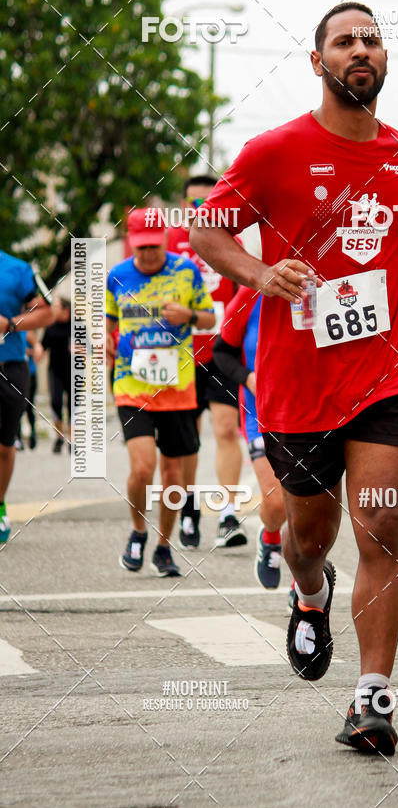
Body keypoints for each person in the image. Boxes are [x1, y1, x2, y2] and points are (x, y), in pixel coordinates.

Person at [190, 2, 398, 756]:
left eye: (372, 39)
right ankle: (311, 593)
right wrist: (259, 272)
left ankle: (372, 698)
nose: (360, 49)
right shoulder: (272, 152)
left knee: (382, 526)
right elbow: (206, 229)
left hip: (387, 371)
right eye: (344, 41)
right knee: (308, 538)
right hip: (298, 383)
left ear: (384, 59)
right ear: (319, 62)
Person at [106, 208, 215, 576]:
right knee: (142, 469)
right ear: (131, 243)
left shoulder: (186, 270)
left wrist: (189, 316)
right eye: (141, 248)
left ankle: (163, 546)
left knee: (173, 476)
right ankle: (138, 531)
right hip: (132, 385)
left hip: (177, 388)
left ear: (165, 239)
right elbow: (107, 321)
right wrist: (104, 341)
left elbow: (210, 318)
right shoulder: (118, 276)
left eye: (154, 246)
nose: (148, 254)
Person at [166, 175, 247, 550]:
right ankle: (189, 509)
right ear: (183, 206)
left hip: (221, 353)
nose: (202, 210)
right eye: (195, 203)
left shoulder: (230, 241)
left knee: (227, 429)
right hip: (179, 353)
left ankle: (228, 514)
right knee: (188, 440)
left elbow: (245, 295)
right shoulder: (168, 244)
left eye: (209, 203)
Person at [212, 287, 286, 588]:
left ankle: (304, 587)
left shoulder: (316, 285)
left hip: (314, 411)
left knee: (311, 510)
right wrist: (248, 377)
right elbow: (221, 352)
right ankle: (271, 536)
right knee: (277, 501)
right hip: (262, 414)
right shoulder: (249, 292)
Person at [0, 250, 54, 543]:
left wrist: (10, 325)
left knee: (4, 446)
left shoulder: (18, 270)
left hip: (10, 367)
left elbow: (48, 312)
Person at [41, 297, 72, 452]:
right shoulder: (50, 325)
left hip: (74, 372)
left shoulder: (77, 325)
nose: (53, 309)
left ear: (65, 310)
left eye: (56, 307)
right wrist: (37, 350)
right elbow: (43, 345)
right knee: (56, 403)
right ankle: (59, 437)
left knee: (73, 406)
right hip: (55, 370)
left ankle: (72, 440)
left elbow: (89, 348)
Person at [16, 331, 43, 450]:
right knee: (17, 407)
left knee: (28, 406)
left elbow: (38, 352)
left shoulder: (28, 334)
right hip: (16, 374)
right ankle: (18, 438)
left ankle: (32, 433)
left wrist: (29, 352)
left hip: (30, 374)